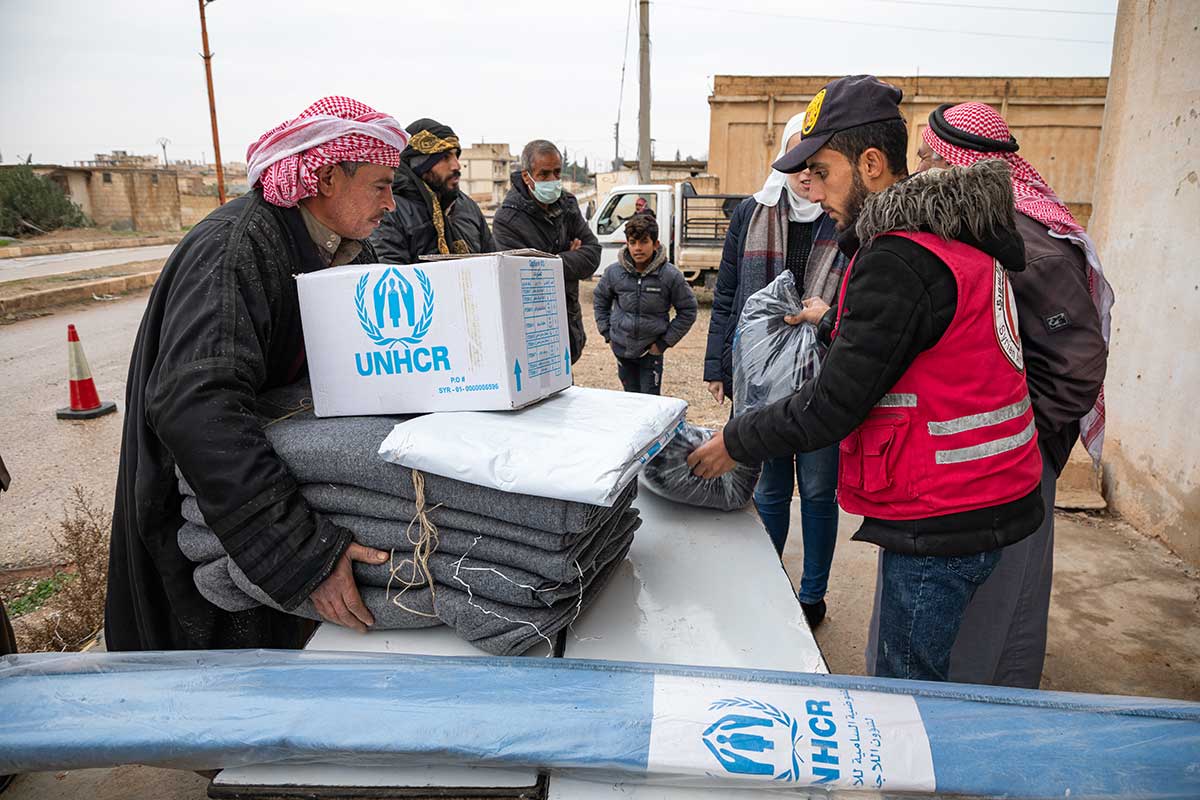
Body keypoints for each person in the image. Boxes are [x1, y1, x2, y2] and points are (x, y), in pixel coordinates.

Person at [688, 75, 1045, 682]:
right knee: (932, 671)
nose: (811, 187)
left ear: (871, 163)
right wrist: (835, 326)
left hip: (943, 514)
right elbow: (913, 346)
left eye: (822, 171)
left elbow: (834, 404)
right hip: (985, 496)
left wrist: (735, 441)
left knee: (903, 687)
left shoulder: (897, 257)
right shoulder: (952, 239)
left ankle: (911, 780)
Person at [106, 96, 406, 652]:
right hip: (209, 513)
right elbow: (199, 406)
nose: (391, 204)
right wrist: (299, 554)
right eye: (381, 184)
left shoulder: (343, 251)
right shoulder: (236, 247)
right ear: (323, 177)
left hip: (269, 499)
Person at [916, 102, 1110, 688]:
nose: (920, 169)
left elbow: (1078, 364)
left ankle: (989, 724)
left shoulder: (1029, 244)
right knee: (1005, 596)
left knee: (1003, 600)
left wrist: (1021, 435)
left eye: (926, 158)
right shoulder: (989, 231)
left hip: (1018, 453)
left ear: (959, 164)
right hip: (1001, 447)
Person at [703, 111, 849, 628]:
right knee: (766, 489)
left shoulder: (845, 217)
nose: (806, 175)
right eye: (796, 162)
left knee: (815, 490)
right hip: (760, 377)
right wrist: (719, 363)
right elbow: (726, 294)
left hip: (824, 379)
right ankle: (770, 585)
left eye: (816, 163)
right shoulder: (751, 213)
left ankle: (811, 595)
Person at [493, 140, 601, 363]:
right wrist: (567, 259)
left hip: (568, 323)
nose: (552, 180)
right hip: (533, 330)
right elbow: (523, 277)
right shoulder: (508, 220)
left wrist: (548, 261)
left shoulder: (567, 204)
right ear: (527, 177)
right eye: (544, 174)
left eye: (556, 173)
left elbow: (592, 254)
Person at [593, 212, 697, 395]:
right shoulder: (613, 273)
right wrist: (608, 334)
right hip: (621, 350)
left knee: (650, 402)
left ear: (655, 244)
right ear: (627, 244)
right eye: (633, 243)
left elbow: (688, 310)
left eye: (644, 242)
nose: (637, 248)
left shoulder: (670, 275)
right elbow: (600, 299)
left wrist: (663, 343)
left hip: (651, 354)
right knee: (630, 399)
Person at [370, 118, 494, 263]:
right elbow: (390, 275)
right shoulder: (390, 210)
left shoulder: (467, 205)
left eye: (456, 155)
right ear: (420, 164)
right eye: (445, 157)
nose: (456, 166)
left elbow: (492, 261)